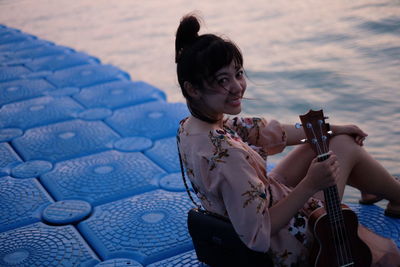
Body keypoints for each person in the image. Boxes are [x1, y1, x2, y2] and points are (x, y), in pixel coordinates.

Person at [175, 13, 400, 266]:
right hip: (287, 241)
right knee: (387, 256)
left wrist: (333, 127)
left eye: (238, 74)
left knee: (330, 139)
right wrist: (309, 184)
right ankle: (389, 192)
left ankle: (376, 189)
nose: (237, 87)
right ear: (193, 88)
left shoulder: (192, 127)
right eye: (222, 81)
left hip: (263, 199)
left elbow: (271, 130)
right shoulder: (227, 155)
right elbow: (257, 235)